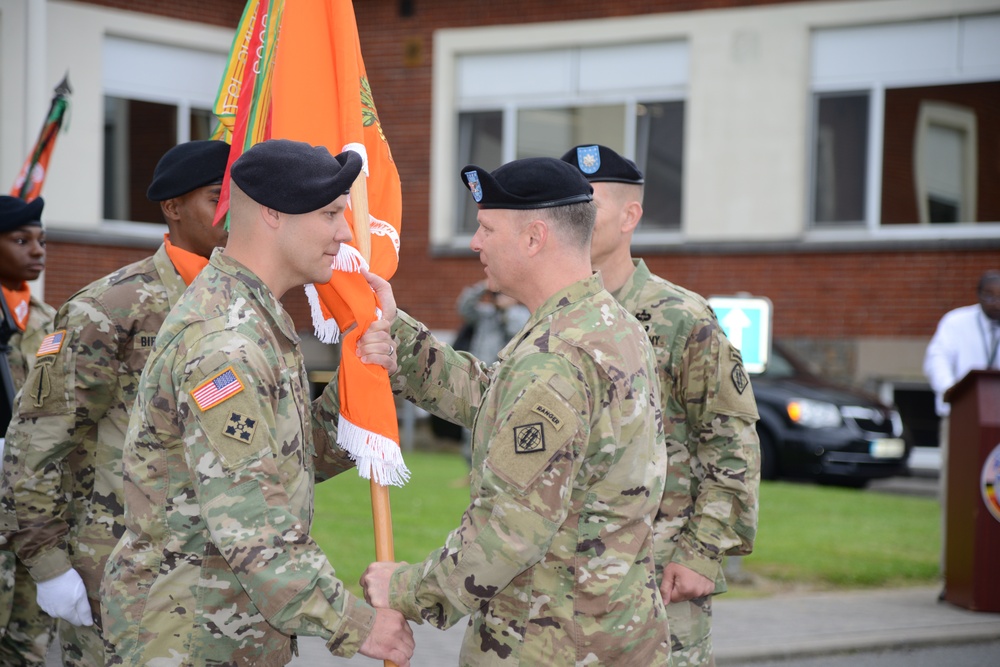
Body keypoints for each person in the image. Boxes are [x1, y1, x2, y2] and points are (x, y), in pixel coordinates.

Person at [100, 139, 414, 666]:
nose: (345, 232)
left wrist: (362, 369)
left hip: (225, 630)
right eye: (331, 213)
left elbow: (290, 456)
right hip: (188, 637)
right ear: (272, 214)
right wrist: (360, 624)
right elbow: (251, 524)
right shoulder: (227, 343)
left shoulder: (253, 318)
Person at [361, 157, 671, 664]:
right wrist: (402, 342)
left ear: (533, 238)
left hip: (553, 641)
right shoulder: (603, 322)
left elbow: (509, 530)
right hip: (612, 630)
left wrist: (407, 590)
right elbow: (498, 400)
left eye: (486, 228)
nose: (474, 243)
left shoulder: (555, 358)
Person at [0, 140, 231, 666]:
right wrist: (49, 564)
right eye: (218, 197)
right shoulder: (111, 308)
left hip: (222, 585)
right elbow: (35, 443)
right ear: (172, 208)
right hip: (122, 580)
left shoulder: (246, 307)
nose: (232, 213)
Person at [560, 144, 760, 667]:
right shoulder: (556, 318)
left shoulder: (679, 318)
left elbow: (731, 445)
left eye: (591, 204)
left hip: (659, 575)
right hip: (565, 579)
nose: (575, 217)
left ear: (631, 216)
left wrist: (702, 553)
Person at [0, 195, 57, 665]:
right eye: (21, 240)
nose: (37, 250)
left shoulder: (51, 322)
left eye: (41, 240)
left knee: (29, 639)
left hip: (33, 507)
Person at [923, 269, 1000, 581]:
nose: (995, 303)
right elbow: (936, 360)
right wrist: (953, 393)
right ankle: (953, 575)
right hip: (963, 424)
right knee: (956, 497)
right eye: (989, 296)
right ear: (977, 294)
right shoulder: (957, 323)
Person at [453, 280, 529, 463]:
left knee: (500, 429)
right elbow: (464, 307)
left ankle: (495, 469)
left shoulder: (521, 314)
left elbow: (516, 330)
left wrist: (507, 308)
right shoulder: (485, 315)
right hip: (478, 376)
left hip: (505, 381)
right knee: (471, 426)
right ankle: (473, 471)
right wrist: (485, 286)